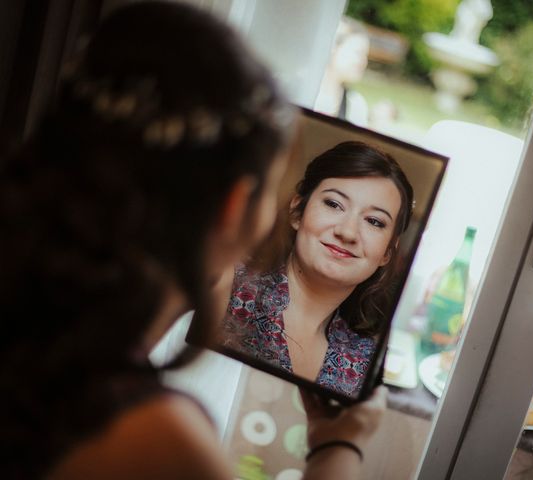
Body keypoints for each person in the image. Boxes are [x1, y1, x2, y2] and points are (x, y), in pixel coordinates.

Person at [0, 2, 386, 479]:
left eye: (375, 221)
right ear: (233, 209)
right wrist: (339, 444)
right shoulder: (150, 441)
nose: (347, 231)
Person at [220, 141, 414, 396]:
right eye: (333, 204)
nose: (347, 232)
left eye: (374, 221)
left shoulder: (363, 361)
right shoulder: (225, 284)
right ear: (297, 212)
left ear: (387, 252)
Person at [314, 18, 370, 126]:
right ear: (333, 47)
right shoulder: (301, 90)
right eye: (358, 53)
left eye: (365, 55)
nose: (364, 61)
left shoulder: (355, 104)